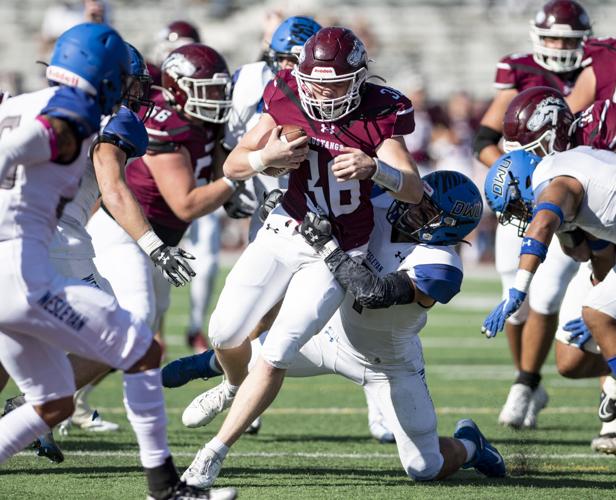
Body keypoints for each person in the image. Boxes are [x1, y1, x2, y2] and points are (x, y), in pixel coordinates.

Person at [178, 26, 423, 486]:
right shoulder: (286, 91)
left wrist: (377, 169)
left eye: (335, 84)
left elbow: (412, 187)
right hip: (284, 230)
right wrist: (264, 157)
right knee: (224, 332)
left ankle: (211, 455)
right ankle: (233, 385)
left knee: (277, 352)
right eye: (316, 82)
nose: (324, 93)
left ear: (358, 78)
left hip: (335, 252)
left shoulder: (381, 108)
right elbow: (233, 164)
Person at [0, 23, 235, 500]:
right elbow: (108, 183)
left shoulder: (16, 103)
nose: (134, 91)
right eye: (127, 80)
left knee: (53, 400)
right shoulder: (83, 116)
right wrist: (154, 246)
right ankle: (164, 489)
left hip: (24, 259)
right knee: (139, 347)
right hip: (27, 263)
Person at [181, 171, 506, 485]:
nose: (412, 208)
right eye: (418, 199)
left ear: (449, 227)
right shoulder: (381, 203)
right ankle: (227, 386)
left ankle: (470, 445)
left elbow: (374, 292)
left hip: (388, 366)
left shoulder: (441, 265)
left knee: (424, 466)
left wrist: (328, 249)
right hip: (330, 337)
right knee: (260, 353)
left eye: (427, 210)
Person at [473, 0, 593, 429]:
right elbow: (485, 139)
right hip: (525, 199)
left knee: (543, 295)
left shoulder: (593, 71)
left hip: (568, 198)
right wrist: (516, 178)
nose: (560, 46)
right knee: (515, 301)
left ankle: (524, 383)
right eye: (553, 37)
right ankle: (528, 381)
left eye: (568, 38)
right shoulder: (519, 68)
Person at [87, 43, 254, 346]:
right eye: (206, 90)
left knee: (142, 334)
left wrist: (237, 187)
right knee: (135, 324)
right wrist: (245, 172)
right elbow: (186, 205)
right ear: (178, 89)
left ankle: (70, 392)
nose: (216, 99)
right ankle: (48, 391)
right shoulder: (167, 125)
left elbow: (220, 177)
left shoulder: (206, 124)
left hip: (162, 240)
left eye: (218, 90)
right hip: (126, 233)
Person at [497, 86, 616, 452]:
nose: (522, 215)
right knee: (570, 360)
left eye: (518, 208)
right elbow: (600, 246)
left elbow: (544, 222)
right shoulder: (574, 161)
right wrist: (600, 284)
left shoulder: (556, 177)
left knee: (596, 312)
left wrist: (519, 289)